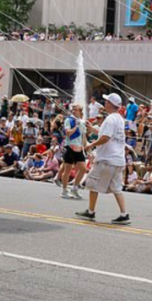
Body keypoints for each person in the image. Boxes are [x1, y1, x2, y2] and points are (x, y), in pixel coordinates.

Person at [76, 93, 131, 225]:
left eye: (106, 101)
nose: (105, 103)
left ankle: (90, 212)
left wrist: (91, 144)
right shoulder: (119, 119)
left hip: (107, 159)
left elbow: (106, 137)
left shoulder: (110, 119)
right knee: (117, 188)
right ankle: (124, 214)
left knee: (92, 183)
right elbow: (108, 135)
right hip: (118, 159)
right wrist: (92, 130)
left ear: (111, 104)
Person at [60, 104, 88, 200]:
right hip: (70, 147)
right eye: (73, 110)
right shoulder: (69, 120)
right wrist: (76, 126)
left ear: (80, 112)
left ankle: (75, 188)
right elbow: (68, 133)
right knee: (67, 169)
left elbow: (83, 136)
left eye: (76, 110)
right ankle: (64, 190)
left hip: (79, 148)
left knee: (84, 169)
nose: (74, 111)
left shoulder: (82, 123)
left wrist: (87, 148)